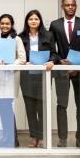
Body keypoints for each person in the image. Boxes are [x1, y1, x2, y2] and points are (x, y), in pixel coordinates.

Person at [50, 0, 80, 148]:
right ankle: (62, 138)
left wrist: (76, 65)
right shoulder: (55, 25)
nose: (70, 7)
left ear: (76, 6)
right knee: (61, 105)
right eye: (67, 5)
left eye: (73, 5)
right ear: (62, 6)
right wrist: (59, 61)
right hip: (62, 71)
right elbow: (51, 48)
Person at [19, 9, 57, 148]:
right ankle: (33, 137)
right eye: (31, 19)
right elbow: (18, 55)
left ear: (40, 21)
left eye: (36, 19)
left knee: (42, 108)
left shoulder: (48, 35)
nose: (33, 21)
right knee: (30, 108)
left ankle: (41, 137)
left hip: (43, 76)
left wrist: (51, 61)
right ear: (27, 21)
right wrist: (23, 62)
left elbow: (54, 53)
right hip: (27, 76)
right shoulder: (21, 37)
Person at [0, 14, 26, 148]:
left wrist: (10, 64)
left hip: (10, 77)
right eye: (2, 23)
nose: (4, 26)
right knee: (2, 108)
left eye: (7, 24)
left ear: (11, 25)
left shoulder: (17, 39)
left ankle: (13, 139)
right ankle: (7, 137)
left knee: (7, 108)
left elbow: (22, 58)